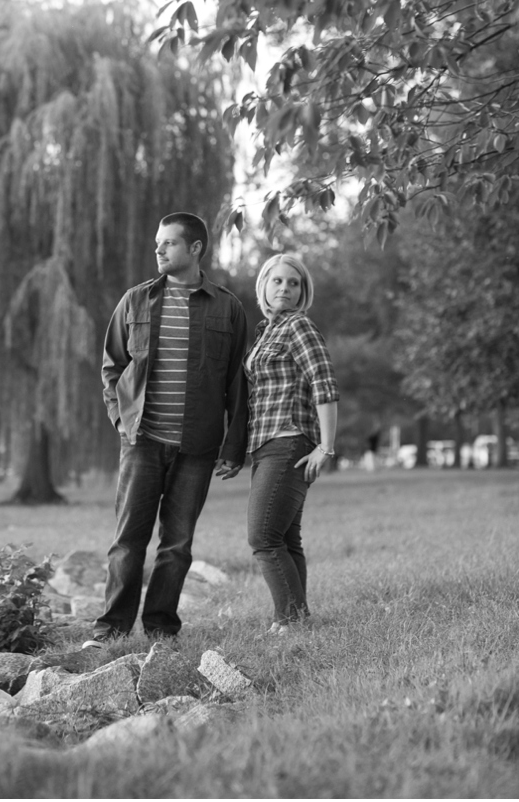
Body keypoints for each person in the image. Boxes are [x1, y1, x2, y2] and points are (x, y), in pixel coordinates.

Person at [85, 212, 248, 646]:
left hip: (197, 445)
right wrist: (122, 420)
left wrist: (235, 446)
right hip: (141, 441)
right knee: (128, 540)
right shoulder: (134, 301)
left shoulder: (227, 307)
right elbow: (111, 368)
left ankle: (161, 628)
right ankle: (110, 629)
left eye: (169, 243)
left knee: (177, 545)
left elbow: (237, 382)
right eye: (158, 242)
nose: (158, 250)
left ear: (195, 249)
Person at [216, 252, 339, 633]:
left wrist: (326, 447)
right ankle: (298, 620)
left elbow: (325, 385)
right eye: (278, 281)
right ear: (264, 287)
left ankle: (288, 621)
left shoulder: (299, 326)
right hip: (266, 445)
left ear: (303, 291)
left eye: (294, 282)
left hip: (289, 442)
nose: (285, 288)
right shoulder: (266, 331)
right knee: (286, 537)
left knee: (263, 537)